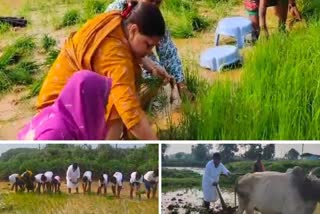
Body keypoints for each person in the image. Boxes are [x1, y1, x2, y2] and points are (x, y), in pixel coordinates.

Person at [35, 2, 167, 140]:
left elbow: (129, 47)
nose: (149, 51)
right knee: (119, 101)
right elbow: (131, 113)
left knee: (118, 93)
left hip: (54, 107)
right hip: (59, 117)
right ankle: (109, 147)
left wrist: (151, 66)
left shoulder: (117, 20)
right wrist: (157, 145)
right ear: (133, 30)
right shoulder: (115, 55)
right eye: (148, 45)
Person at [106, 0, 194, 103]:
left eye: (158, 3)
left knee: (155, 77)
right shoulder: (115, 14)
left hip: (141, 60)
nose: (154, 6)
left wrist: (181, 85)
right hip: (116, 66)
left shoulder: (153, 16)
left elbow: (168, 54)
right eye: (151, 1)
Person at [17, 71, 112, 140]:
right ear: (89, 103)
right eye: (102, 103)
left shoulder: (58, 113)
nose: (104, 109)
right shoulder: (57, 133)